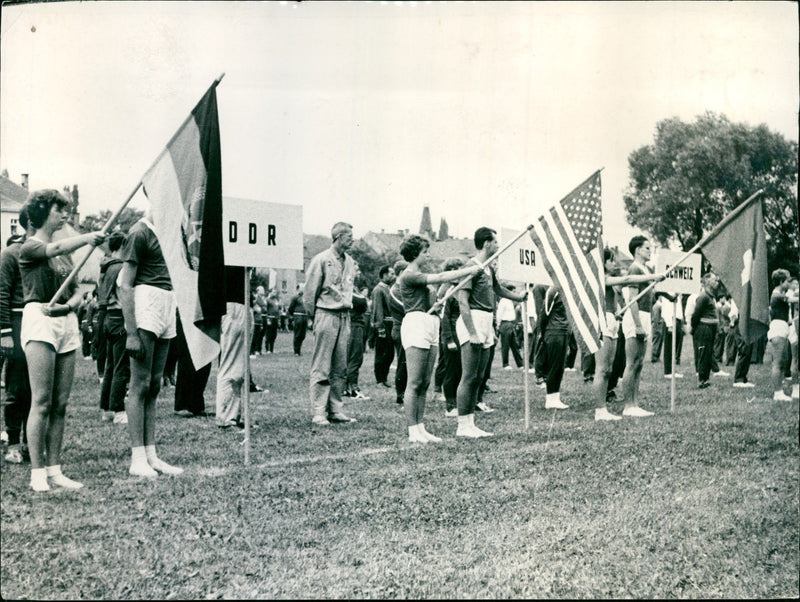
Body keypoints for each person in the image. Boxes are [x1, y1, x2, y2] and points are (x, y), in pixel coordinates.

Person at [18, 190, 105, 490]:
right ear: (43, 212)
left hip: (65, 319)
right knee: (40, 401)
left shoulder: (65, 254)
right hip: (40, 318)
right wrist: (88, 237)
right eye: (59, 210)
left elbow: (79, 289)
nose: (65, 215)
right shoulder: (29, 247)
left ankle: (55, 469)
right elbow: (52, 248)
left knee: (61, 403)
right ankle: (37, 473)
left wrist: (68, 306)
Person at [395, 235, 479, 443]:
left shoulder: (420, 275)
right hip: (416, 323)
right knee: (414, 381)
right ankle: (412, 430)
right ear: (415, 253)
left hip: (430, 322)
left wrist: (455, 281)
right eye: (425, 251)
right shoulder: (409, 275)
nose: (428, 254)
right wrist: (469, 270)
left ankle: (420, 427)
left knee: (424, 381)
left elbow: (439, 293)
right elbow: (440, 277)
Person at [118, 210, 183, 478]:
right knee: (140, 383)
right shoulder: (139, 232)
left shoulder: (169, 232)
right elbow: (124, 284)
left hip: (167, 302)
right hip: (147, 303)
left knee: (155, 384)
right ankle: (137, 458)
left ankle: (151, 454)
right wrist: (131, 331)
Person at [455, 227, 526, 438]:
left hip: (486, 320)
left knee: (479, 376)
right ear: (486, 243)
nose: (497, 246)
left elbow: (498, 290)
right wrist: (472, 332)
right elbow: (462, 301)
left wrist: (519, 297)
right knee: (468, 376)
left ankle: (471, 422)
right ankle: (462, 425)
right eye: (495, 242)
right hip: (473, 319)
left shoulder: (489, 268)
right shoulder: (471, 266)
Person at [593, 248, 663, 420]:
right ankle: (600, 409)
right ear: (603, 263)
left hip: (612, 320)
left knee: (609, 369)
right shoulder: (601, 278)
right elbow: (628, 279)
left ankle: (623, 405)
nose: (614, 263)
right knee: (602, 369)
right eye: (611, 260)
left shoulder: (610, 281)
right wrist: (653, 277)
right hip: (603, 321)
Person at [304, 222, 358, 425]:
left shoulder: (350, 262)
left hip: (344, 316)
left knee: (340, 365)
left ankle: (335, 408)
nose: (352, 239)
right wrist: (313, 317)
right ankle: (319, 411)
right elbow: (310, 292)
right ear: (338, 236)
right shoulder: (322, 260)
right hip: (326, 314)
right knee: (322, 364)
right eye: (348, 236)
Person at [1, 206, 32, 464]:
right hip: (18, 320)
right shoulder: (11, 254)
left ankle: (31, 442)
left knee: (39, 389)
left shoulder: (47, 252)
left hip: (40, 321)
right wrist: (5, 333)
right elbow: (1, 294)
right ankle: (12, 442)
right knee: (17, 386)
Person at [97, 231, 130, 424]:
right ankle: (118, 409)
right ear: (122, 246)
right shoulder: (121, 268)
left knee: (110, 365)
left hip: (107, 316)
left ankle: (106, 408)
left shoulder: (105, 267)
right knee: (120, 366)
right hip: (119, 317)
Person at [216, 266, 249, 428]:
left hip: (240, 302)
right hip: (232, 304)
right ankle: (226, 418)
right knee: (230, 364)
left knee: (239, 367)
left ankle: (234, 415)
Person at [767, 269, 798, 401]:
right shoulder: (777, 295)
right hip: (778, 327)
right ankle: (777, 392)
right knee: (778, 362)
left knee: (781, 361)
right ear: (780, 281)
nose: (788, 283)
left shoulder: (779, 294)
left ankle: (779, 391)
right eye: (786, 280)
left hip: (782, 327)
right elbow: (793, 299)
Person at [690, 271, 720, 390]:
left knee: (708, 354)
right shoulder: (703, 297)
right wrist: (695, 328)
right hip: (704, 328)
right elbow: (696, 314)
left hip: (710, 328)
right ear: (707, 282)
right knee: (704, 353)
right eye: (714, 280)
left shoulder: (710, 296)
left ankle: (705, 379)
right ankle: (702, 380)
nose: (716, 282)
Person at [345, 279, 370, 400]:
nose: (358, 272)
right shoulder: (348, 287)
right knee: (355, 357)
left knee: (349, 356)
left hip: (353, 324)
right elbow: (361, 303)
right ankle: (352, 388)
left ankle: (346, 387)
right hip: (354, 325)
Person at [371, 265, 396, 387]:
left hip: (391, 324)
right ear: (384, 275)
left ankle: (384, 378)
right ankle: (380, 379)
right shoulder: (378, 290)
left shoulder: (389, 288)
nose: (393, 276)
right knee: (382, 353)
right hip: (384, 324)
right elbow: (378, 310)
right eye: (391, 273)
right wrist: (379, 327)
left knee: (389, 353)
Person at [389, 259, 409, 405]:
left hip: (406, 328)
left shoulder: (402, 288)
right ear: (401, 273)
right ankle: (400, 394)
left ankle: (404, 392)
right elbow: (407, 308)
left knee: (407, 362)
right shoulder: (395, 290)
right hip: (400, 329)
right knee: (402, 362)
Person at [497, 286, 523, 370]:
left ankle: (520, 363)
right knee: (505, 344)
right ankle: (505, 364)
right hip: (505, 323)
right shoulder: (503, 301)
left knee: (515, 344)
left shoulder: (510, 301)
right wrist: (498, 325)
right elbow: (499, 314)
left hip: (511, 323)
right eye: (513, 291)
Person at [287, 288, 307, 356]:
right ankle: (296, 351)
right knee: (297, 333)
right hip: (298, 316)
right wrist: (294, 316)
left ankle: (299, 349)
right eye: (302, 288)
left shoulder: (305, 297)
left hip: (305, 316)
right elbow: (290, 308)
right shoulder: (295, 297)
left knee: (303, 335)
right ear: (298, 289)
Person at [249, 286, 266, 356]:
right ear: (258, 290)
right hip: (255, 319)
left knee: (259, 336)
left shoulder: (262, 298)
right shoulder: (256, 297)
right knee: (254, 336)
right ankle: (252, 351)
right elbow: (254, 306)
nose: (263, 291)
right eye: (261, 290)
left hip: (260, 319)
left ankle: (257, 350)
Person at [264, 289, 280, 354]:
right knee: (268, 334)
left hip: (275, 318)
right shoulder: (267, 300)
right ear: (270, 292)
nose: (274, 293)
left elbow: (278, 310)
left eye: (275, 292)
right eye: (273, 292)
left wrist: (278, 319)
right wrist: (267, 318)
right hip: (270, 318)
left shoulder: (276, 300)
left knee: (274, 334)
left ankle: (272, 349)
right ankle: (267, 349)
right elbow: (265, 309)